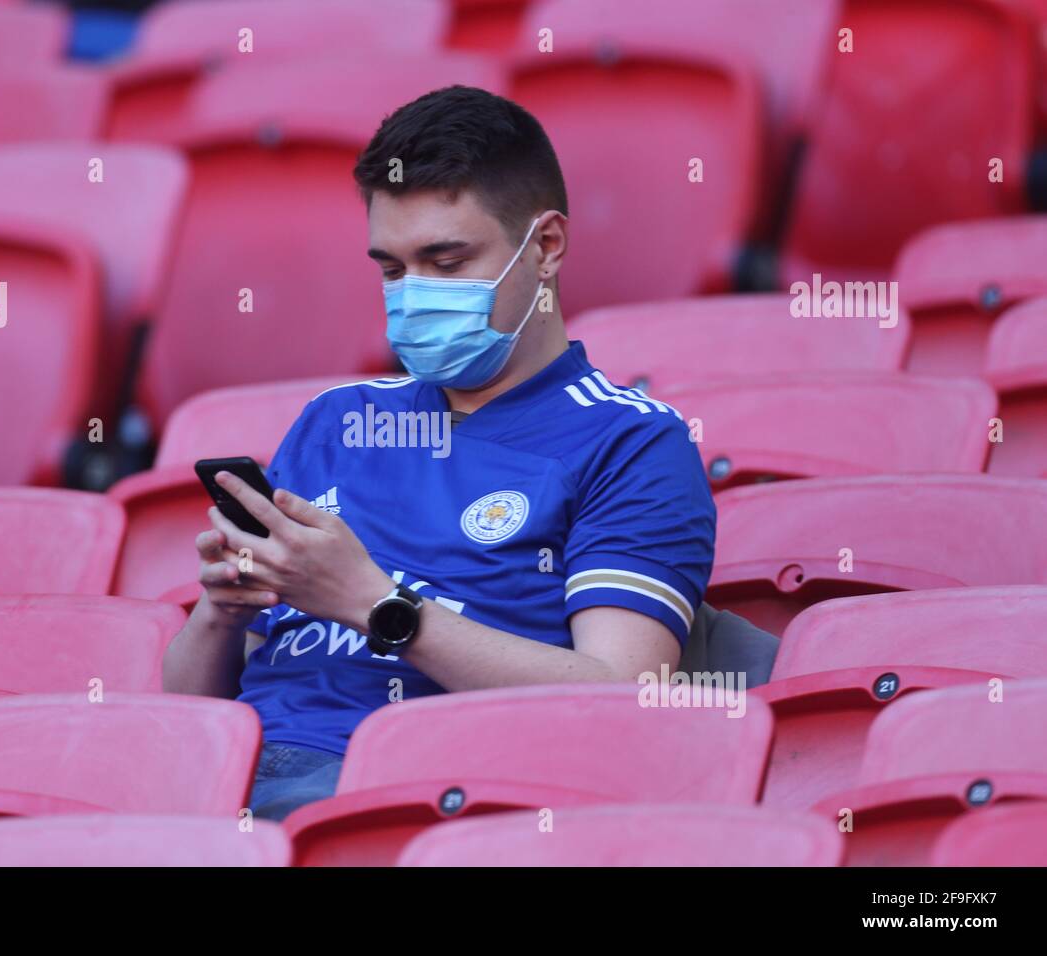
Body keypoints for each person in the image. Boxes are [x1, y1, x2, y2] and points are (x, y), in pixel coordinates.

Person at [162, 85, 716, 821]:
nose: (414, 295)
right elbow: (186, 705)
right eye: (392, 270)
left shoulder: (634, 443)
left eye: (446, 262)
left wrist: (373, 604)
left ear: (545, 246)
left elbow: (620, 696)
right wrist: (220, 614)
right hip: (219, 777)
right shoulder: (337, 420)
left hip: (413, 793)